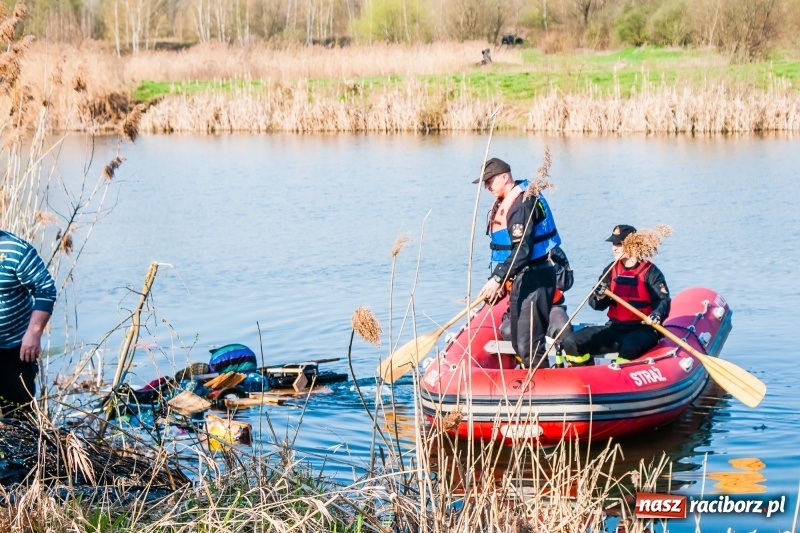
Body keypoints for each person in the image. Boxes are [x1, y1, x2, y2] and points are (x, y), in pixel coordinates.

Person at [476, 157, 561, 369]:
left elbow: (522, 251)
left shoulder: (522, 205)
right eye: (485, 182)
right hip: (521, 278)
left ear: (505, 177)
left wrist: (498, 278)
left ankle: (542, 388)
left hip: (536, 278)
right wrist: (500, 281)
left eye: (490, 180)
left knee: (528, 344)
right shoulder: (508, 202)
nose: (487, 186)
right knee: (516, 339)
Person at [561, 224, 670, 367]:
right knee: (571, 342)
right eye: (613, 243)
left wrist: (657, 315)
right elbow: (595, 305)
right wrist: (599, 296)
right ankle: (586, 373)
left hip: (642, 329)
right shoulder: (611, 270)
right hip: (614, 328)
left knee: (629, 347)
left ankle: (621, 376)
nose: (614, 248)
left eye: (619, 244)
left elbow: (663, 301)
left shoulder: (651, 272)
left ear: (632, 245)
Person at [0, 230, 56, 415]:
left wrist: (34, 332)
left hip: (15, 349)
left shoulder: (15, 250)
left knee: (19, 413)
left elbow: (45, 289)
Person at [499, 246, 574, 340]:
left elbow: (566, 284)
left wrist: (551, 263)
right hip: (519, 308)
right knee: (509, 331)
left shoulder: (554, 251)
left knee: (562, 328)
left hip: (551, 307)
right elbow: (499, 286)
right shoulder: (509, 254)